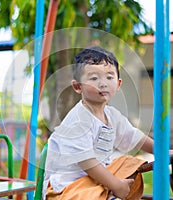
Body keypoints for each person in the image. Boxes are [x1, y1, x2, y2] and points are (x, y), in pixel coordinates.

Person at [43, 46, 154, 200]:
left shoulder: (112, 115)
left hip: (95, 177)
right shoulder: (78, 120)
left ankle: (111, 191)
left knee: (129, 162)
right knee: (83, 197)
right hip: (68, 184)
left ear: (118, 83)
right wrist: (115, 185)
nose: (103, 83)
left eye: (109, 77)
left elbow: (135, 137)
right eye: (94, 78)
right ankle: (112, 191)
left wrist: (161, 151)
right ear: (77, 86)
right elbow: (87, 163)